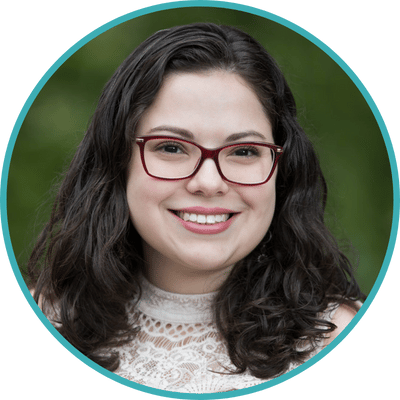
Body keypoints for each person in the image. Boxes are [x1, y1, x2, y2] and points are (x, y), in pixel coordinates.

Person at [27, 23, 364, 393]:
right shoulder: (39, 323)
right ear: (117, 162)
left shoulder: (343, 342)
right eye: (171, 147)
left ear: (281, 172)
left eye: (244, 151)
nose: (208, 182)